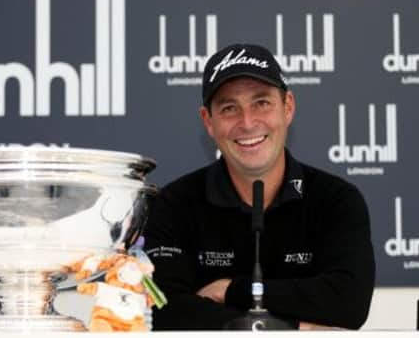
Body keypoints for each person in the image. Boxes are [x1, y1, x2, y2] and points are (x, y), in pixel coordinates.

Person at [143, 43, 375, 330]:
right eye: (229, 108)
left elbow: (348, 302)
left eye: (261, 103)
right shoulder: (174, 203)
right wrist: (292, 327)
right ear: (209, 121)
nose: (248, 122)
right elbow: (162, 309)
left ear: (287, 107)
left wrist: (232, 290)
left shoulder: (336, 199)